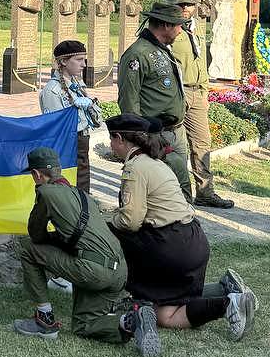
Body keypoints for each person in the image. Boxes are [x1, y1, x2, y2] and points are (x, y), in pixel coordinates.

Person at [104, 115, 256, 337]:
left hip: (170, 247)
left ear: (119, 138)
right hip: (193, 241)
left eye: (111, 139)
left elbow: (130, 221)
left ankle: (120, 293)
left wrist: (107, 221)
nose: (110, 145)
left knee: (109, 234)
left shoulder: (135, 168)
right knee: (169, 312)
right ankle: (228, 298)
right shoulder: (157, 163)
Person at [12, 147, 159, 357]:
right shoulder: (83, 195)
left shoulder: (46, 192)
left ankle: (44, 320)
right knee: (84, 324)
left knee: (28, 249)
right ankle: (130, 321)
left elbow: (36, 235)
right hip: (119, 271)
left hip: (93, 270)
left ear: (36, 174)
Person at [116, 0, 193, 201]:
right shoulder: (137, 54)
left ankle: (185, 217)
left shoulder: (162, 49)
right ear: (166, 25)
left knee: (181, 186)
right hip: (155, 135)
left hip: (175, 131)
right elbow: (129, 101)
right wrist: (142, 138)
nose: (181, 31)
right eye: (178, 25)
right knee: (158, 191)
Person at [166, 0, 233, 207]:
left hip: (196, 93)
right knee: (174, 146)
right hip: (175, 93)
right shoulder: (166, 29)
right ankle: (175, 194)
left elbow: (200, 62)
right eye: (180, 4)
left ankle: (205, 192)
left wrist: (204, 91)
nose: (185, 8)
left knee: (202, 144)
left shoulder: (195, 28)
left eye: (189, 4)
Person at [39, 40, 100, 192]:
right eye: (79, 60)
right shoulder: (52, 90)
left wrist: (91, 104)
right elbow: (55, 126)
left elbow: (97, 119)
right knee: (72, 184)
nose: (84, 65)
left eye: (84, 60)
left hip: (82, 140)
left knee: (83, 184)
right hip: (69, 144)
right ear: (64, 61)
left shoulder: (77, 84)